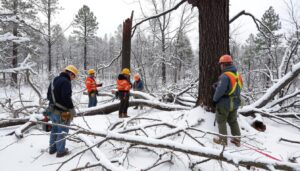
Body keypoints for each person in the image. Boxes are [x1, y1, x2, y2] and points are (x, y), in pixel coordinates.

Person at [46, 65, 78, 157]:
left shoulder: (54, 80)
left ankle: (52, 149)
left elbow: (48, 96)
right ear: (70, 73)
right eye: (74, 76)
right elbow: (66, 98)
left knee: (54, 129)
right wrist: (71, 109)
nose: (73, 78)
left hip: (51, 110)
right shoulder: (66, 82)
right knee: (63, 131)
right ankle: (61, 151)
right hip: (64, 112)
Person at [212, 54, 243, 147]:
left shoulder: (225, 76)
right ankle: (237, 139)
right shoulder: (237, 75)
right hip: (236, 101)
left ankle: (223, 140)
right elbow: (235, 87)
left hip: (225, 102)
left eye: (221, 64)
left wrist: (214, 99)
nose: (220, 66)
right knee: (233, 120)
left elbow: (220, 91)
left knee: (221, 120)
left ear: (224, 64)